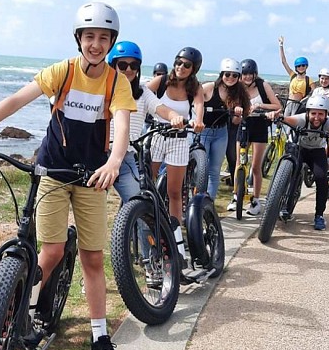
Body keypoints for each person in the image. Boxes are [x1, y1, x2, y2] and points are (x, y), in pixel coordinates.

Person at [0, 2, 135, 350]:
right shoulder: (63, 72)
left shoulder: (118, 82)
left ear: (111, 42)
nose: (96, 44)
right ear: (79, 39)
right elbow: (16, 100)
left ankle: (100, 336)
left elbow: (120, 126)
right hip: (53, 172)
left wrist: (115, 161)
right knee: (50, 251)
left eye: (103, 38)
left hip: (92, 178)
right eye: (89, 37)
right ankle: (27, 310)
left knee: (93, 258)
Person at [145, 47, 204, 267]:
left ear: (193, 69)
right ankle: (145, 227)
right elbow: (141, 94)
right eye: (178, 62)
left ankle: (176, 240)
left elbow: (199, 106)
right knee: (146, 184)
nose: (181, 67)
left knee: (174, 192)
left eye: (186, 65)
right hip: (156, 136)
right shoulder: (161, 81)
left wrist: (198, 121)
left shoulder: (194, 88)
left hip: (179, 139)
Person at [107, 41, 184, 205]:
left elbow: (160, 108)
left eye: (133, 65)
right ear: (112, 66)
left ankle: (135, 231)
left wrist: (174, 117)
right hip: (100, 154)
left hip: (126, 156)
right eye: (122, 65)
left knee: (140, 205)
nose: (128, 69)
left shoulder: (143, 92)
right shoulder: (102, 89)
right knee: (93, 209)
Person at [275, 95, 329, 230]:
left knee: (321, 178)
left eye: (320, 114)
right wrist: (278, 116)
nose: (317, 117)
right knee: (291, 173)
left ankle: (319, 215)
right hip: (298, 148)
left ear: (326, 114)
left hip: (317, 151)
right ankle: (280, 204)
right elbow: (287, 119)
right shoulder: (301, 118)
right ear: (308, 112)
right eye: (313, 113)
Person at [200, 59, 251, 201]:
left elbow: (235, 122)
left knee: (214, 170)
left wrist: (239, 114)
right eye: (227, 74)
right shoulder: (209, 88)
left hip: (221, 133)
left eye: (235, 75)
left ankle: (209, 203)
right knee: (200, 168)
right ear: (221, 74)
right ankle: (196, 199)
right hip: (204, 131)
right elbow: (193, 101)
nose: (230, 78)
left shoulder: (238, 94)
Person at [237, 58, 282, 216]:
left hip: (260, 125)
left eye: (250, 74)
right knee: (239, 163)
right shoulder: (238, 86)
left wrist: (260, 105)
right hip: (243, 124)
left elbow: (278, 106)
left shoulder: (263, 86)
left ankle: (256, 200)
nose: (247, 77)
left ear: (255, 74)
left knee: (256, 166)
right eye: (244, 74)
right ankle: (236, 196)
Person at [278, 36, 315, 116]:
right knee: (284, 122)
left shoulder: (308, 80)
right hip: (289, 103)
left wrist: (306, 99)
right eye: (299, 66)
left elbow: (314, 92)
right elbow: (283, 61)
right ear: (296, 67)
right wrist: (281, 45)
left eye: (303, 65)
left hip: (299, 104)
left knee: (293, 125)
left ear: (306, 66)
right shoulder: (293, 76)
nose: (301, 67)